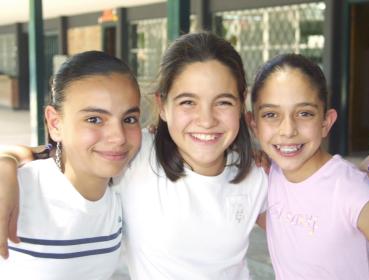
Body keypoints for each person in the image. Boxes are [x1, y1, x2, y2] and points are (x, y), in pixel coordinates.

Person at [0, 32, 268, 279]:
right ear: (162, 106)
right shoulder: (139, 157)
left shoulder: (259, 174)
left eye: (223, 102)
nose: (206, 120)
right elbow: (63, 153)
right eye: (188, 102)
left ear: (241, 101)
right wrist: (7, 162)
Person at [249, 53, 369, 279]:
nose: (288, 130)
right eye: (271, 114)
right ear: (254, 125)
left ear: (325, 122)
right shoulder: (266, 180)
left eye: (304, 113)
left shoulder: (355, 194)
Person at [0, 50, 142, 279]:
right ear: (55, 124)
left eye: (129, 119)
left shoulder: (126, 187)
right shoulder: (16, 191)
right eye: (94, 119)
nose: (119, 137)